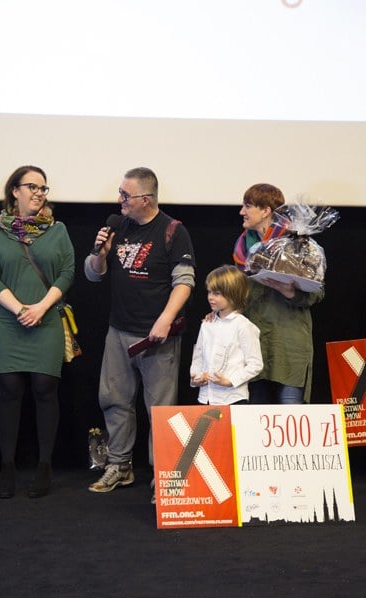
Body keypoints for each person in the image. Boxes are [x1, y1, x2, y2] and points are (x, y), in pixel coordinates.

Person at [84, 167, 195, 498]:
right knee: (114, 400)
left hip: (156, 337)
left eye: (125, 195)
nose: (119, 200)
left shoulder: (173, 230)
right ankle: (119, 465)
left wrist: (165, 319)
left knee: (160, 410)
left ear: (145, 199)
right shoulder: (118, 227)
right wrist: (100, 253)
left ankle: (163, 476)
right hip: (118, 331)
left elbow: (185, 282)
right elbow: (93, 275)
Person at [0, 165, 75, 498]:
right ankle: (7, 467)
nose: (39, 193)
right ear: (15, 191)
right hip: (6, 321)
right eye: (32, 187)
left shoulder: (58, 230)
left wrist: (40, 308)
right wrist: (20, 310)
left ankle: (44, 466)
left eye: (43, 188)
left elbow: (67, 273)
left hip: (46, 319)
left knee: (45, 388)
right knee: (8, 390)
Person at [233, 183, 324, 404]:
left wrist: (290, 291)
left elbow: (318, 292)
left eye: (248, 206)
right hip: (254, 342)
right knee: (256, 417)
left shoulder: (297, 242)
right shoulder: (243, 247)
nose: (241, 212)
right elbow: (236, 292)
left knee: (290, 414)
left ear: (266, 210)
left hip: (289, 343)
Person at [190, 265, 263, 405]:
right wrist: (196, 377)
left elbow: (255, 364)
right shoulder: (207, 323)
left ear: (233, 294)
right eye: (209, 292)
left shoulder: (244, 326)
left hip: (233, 398)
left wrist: (230, 381)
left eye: (216, 293)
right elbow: (198, 355)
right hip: (206, 398)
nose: (210, 297)